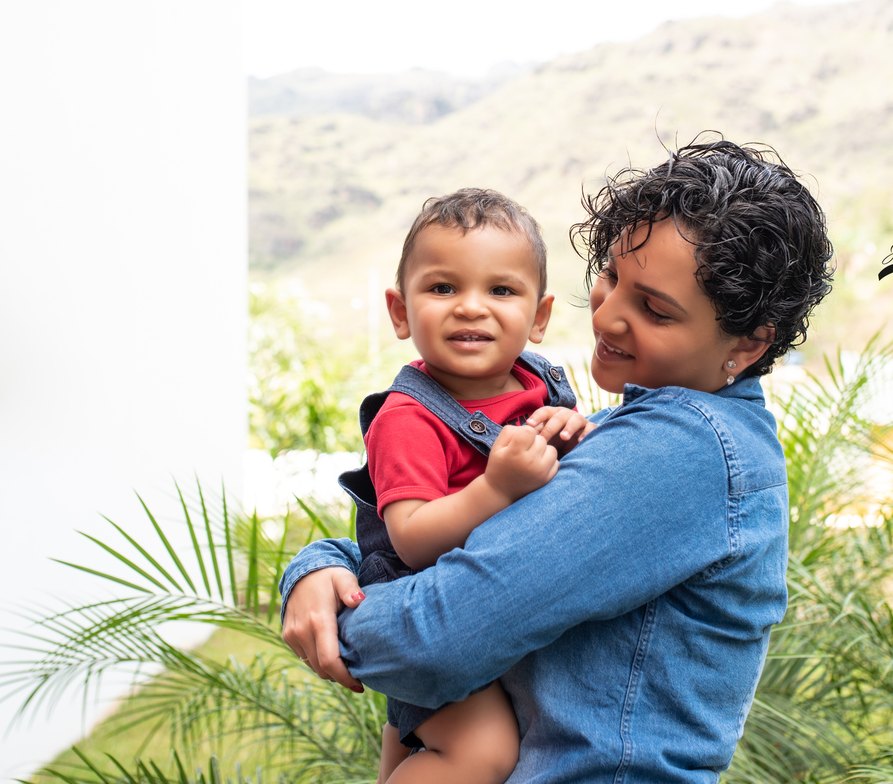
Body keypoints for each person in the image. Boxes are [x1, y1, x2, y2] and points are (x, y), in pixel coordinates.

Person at [281, 138, 835, 783]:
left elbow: (431, 639)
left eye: (654, 309)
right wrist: (323, 565)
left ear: (749, 343)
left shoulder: (680, 450)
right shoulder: (621, 429)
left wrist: (337, 608)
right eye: (611, 277)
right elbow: (463, 537)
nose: (608, 315)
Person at [341, 187, 594, 784]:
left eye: (501, 290)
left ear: (539, 316)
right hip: (427, 610)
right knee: (482, 752)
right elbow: (410, 539)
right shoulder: (408, 418)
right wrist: (496, 488)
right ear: (400, 312)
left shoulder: (538, 387)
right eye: (442, 288)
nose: (471, 308)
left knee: (423, 751)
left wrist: (573, 429)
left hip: (498, 609)